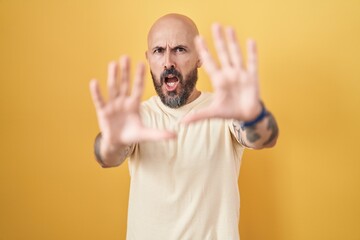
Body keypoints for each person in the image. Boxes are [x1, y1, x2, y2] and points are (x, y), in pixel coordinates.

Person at [89, 13, 278, 240]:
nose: (168, 61)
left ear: (199, 58)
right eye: (159, 50)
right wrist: (113, 141)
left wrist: (254, 117)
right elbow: (107, 157)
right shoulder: (135, 119)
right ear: (148, 58)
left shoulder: (224, 111)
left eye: (180, 49)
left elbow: (264, 138)